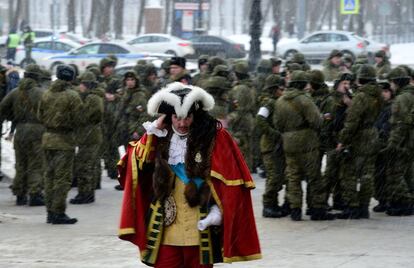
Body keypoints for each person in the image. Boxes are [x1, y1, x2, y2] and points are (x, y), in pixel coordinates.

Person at [117, 82, 261, 267]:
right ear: (169, 116)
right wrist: (153, 131)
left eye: (187, 117)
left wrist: (218, 210)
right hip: (166, 224)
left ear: (196, 115)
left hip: (200, 223)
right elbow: (135, 163)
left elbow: (230, 180)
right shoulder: (159, 135)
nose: (182, 123)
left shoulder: (214, 136)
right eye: (177, 117)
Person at [274, 71, 335, 221]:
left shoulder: (280, 101)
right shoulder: (305, 100)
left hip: (288, 142)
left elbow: (277, 124)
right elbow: (316, 121)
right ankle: (317, 208)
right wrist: (322, 117)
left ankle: (295, 210)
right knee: (314, 176)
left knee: (293, 177)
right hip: (307, 142)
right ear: (303, 84)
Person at [336, 65, 383, 219]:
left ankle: (352, 206)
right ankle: (364, 207)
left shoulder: (361, 97)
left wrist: (342, 140)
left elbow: (352, 122)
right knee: (367, 174)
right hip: (372, 135)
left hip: (359, 137)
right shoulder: (378, 95)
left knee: (348, 172)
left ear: (361, 78)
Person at [39, 64, 82, 224]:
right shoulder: (72, 96)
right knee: (62, 178)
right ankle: (58, 212)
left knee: (49, 176)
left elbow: (40, 115)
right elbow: (79, 119)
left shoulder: (47, 94)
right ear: (71, 78)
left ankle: (50, 212)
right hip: (65, 141)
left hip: (47, 138)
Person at [0, 64, 45, 205]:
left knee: (21, 163)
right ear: (37, 77)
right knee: (36, 163)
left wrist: (12, 117)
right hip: (38, 130)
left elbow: (2, 108)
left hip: (20, 130)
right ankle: (35, 194)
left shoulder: (15, 92)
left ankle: (20, 194)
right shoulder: (42, 93)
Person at [70, 71, 104, 204]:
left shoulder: (92, 98)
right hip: (88, 135)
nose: (80, 87)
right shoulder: (91, 97)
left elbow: (85, 117)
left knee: (85, 165)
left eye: (82, 84)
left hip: (89, 136)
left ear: (87, 85)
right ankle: (85, 193)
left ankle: (85, 194)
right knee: (86, 165)